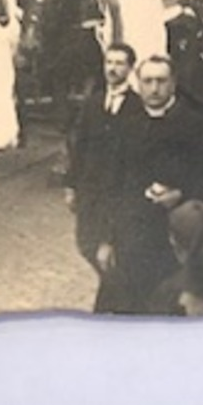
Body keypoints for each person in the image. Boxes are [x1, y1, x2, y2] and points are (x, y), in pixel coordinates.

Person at [105, 55, 203, 314]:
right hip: (133, 240)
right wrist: (107, 239)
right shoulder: (125, 124)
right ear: (137, 84)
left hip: (178, 242)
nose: (154, 88)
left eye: (161, 81)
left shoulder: (196, 124)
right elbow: (112, 184)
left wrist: (181, 195)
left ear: (173, 83)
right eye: (147, 81)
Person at [64, 44, 144, 310]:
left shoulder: (138, 107)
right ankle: (121, 297)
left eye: (120, 63)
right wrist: (70, 185)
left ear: (130, 68)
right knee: (86, 243)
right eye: (109, 62)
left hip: (119, 194)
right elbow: (80, 146)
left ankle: (113, 305)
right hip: (90, 193)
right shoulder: (93, 103)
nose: (113, 68)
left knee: (110, 251)